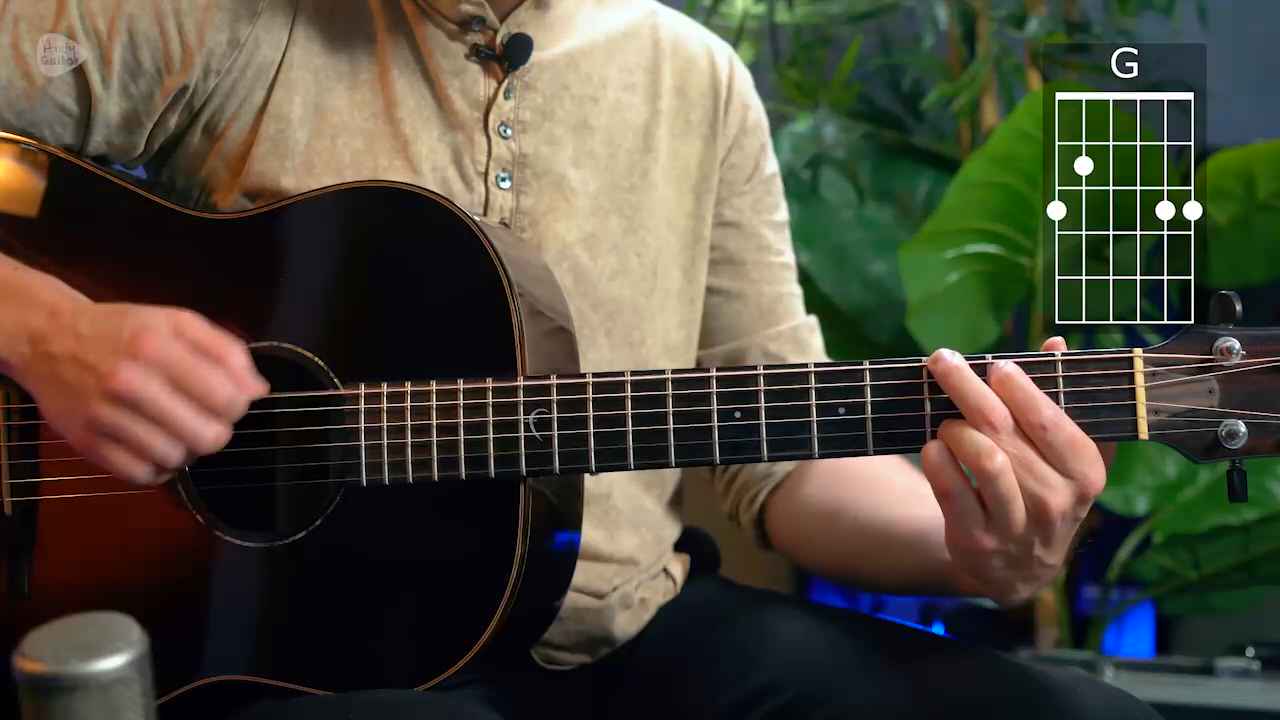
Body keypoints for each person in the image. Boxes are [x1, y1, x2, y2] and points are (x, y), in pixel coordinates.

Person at [0, 1, 1162, 718]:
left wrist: (980, 550)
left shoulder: (695, 76)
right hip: (309, 657)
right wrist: (49, 329)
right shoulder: (206, 19)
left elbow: (781, 465)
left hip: (628, 630)